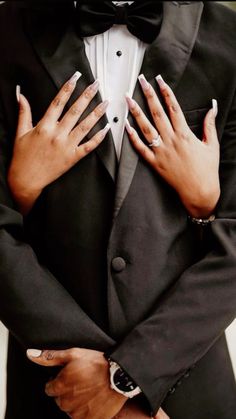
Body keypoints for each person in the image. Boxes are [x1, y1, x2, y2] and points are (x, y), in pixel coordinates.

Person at [0, 0, 236, 418]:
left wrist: (133, 372)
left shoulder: (229, 36)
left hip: (186, 391)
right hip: (55, 390)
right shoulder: (7, 32)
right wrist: (21, 188)